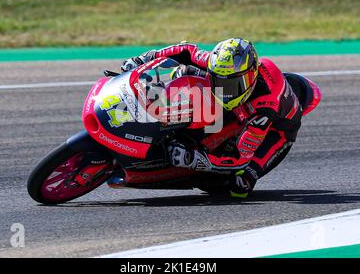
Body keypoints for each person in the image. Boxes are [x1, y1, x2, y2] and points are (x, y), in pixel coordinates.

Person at [121, 38, 302, 198]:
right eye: (219, 82)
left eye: (232, 85)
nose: (225, 91)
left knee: (240, 186)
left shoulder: (266, 106)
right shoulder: (222, 65)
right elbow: (186, 51)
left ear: (251, 76)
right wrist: (143, 59)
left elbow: (240, 157)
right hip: (241, 105)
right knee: (183, 73)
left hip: (276, 132)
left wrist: (195, 158)